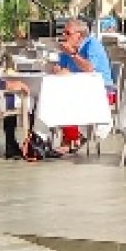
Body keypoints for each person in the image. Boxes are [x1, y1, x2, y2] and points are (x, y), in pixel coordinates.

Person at [50, 18, 114, 154]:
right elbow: (61, 68)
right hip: (78, 88)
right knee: (53, 96)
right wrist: (57, 68)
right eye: (63, 33)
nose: (64, 36)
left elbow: (89, 68)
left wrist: (73, 54)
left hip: (101, 91)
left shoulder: (92, 44)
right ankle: (46, 138)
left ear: (79, 35)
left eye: (68, 33)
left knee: (65, 97)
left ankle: (72, 139)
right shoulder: (67, 49)